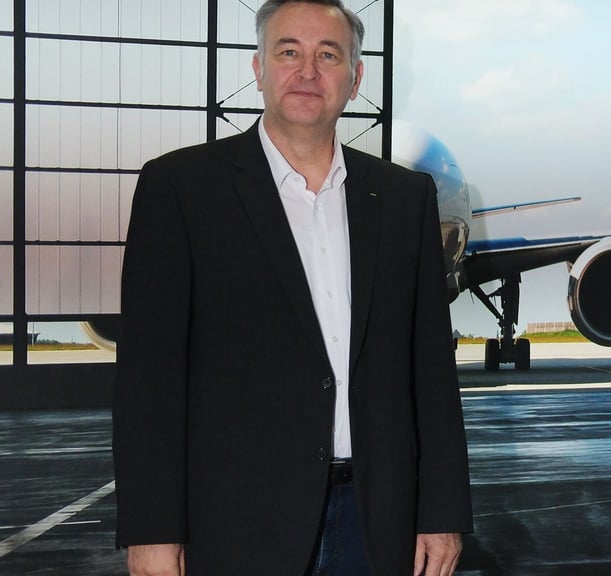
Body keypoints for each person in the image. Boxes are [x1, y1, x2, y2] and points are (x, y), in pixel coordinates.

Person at [112, 1, 472, 574]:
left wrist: (444, 510)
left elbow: (430, 367)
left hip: (379, 521)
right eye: (288, 52)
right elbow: (148, 380)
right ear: (258, 68)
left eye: (328, 55)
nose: (307, 71)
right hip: (234, 523)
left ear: (355, 79)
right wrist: (152, 531)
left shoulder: (404, 200)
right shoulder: (179, 190)